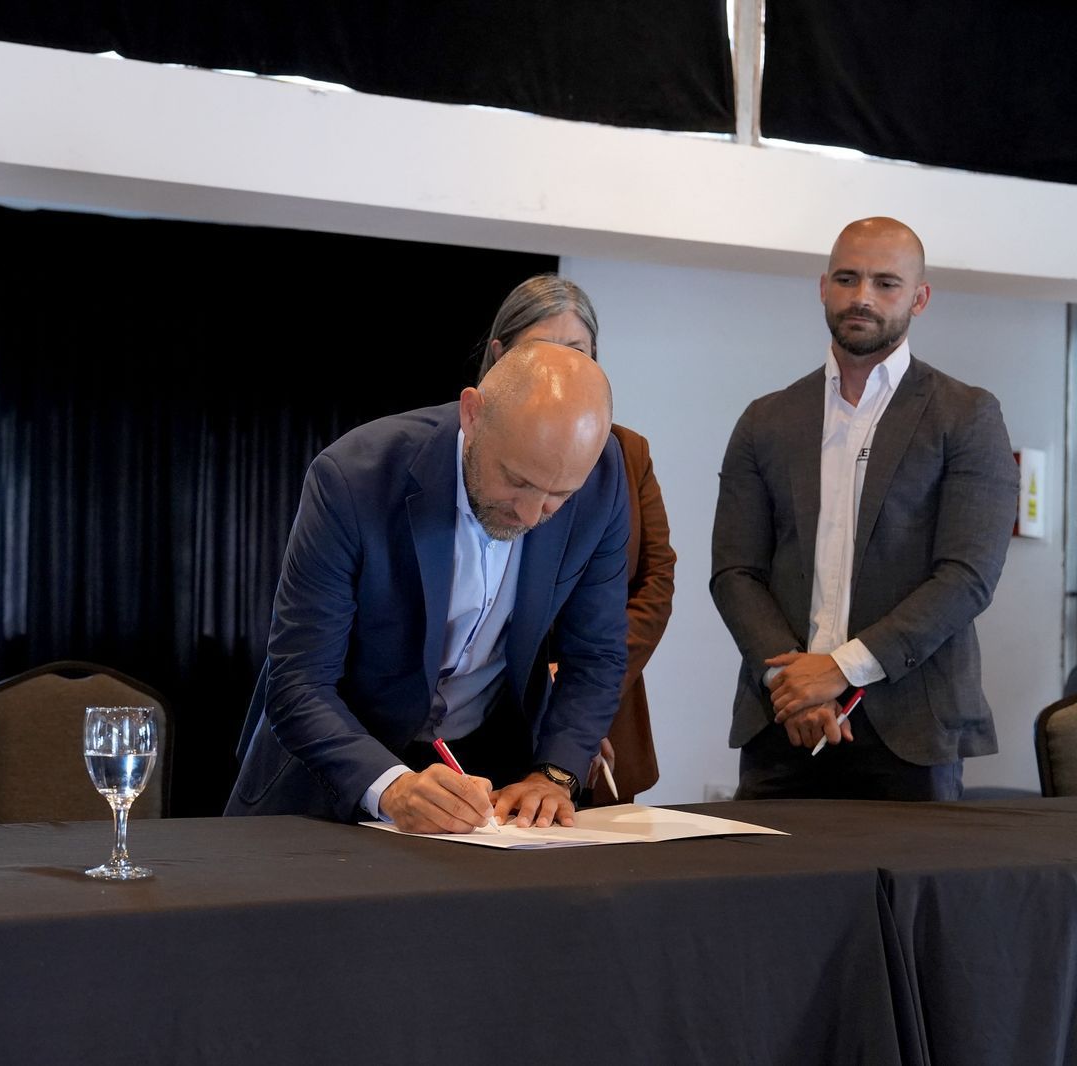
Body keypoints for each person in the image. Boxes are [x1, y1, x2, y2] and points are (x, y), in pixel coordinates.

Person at [226, 342, 630, 833]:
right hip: (335, 780)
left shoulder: (604, 476)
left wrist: (553, 774)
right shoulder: (354, 478)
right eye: (516, 480)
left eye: (558, 496)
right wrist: (392, 786)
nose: (530, 515)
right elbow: (299, 682)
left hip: (493, 783)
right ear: (472, 414)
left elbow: (596, 652)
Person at [711, 217, 1018, 801]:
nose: (862, 297)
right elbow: (735, 572)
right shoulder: (765, 419)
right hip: (782, 721)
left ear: (919, 298)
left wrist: (839, 670)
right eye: (847, 279)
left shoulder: (967, 415)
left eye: (886, 283)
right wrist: (791, 681)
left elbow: (967, 577)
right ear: (822, 287)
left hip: (912, 731)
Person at [479, 275, 675, 805]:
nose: (561, 367)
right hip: (491, 707)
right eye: (541, 349)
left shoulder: (624, 455)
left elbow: (655, 582)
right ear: (499, 357)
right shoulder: (473, 454)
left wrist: (576, 695)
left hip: (597, 703)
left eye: (577, 351)